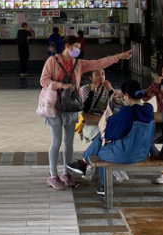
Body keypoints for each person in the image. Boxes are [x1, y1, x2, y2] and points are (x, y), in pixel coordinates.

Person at [40, 35, 132, 190]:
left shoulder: (78, 63)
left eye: (79, 47)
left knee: (68, 143)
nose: (78, 50)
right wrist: (61, 85)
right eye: (75, 47)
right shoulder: (52, 61)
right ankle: (52, 175)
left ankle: (65, 173)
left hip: (71, 107)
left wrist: (117, 57)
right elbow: (43, 80)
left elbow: (98, 63)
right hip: (54, 107)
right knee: (56, 141)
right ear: (67, 46)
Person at [67, 80, 154, 196]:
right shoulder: (149, 109)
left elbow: (110, 134)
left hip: (125, 155)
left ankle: (103, 184)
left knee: (101, 148)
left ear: (126, 95)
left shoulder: (127, 112)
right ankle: (84, 163)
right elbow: (135, 101)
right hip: (142, 154)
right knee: (102, 143)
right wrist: (124, 94)